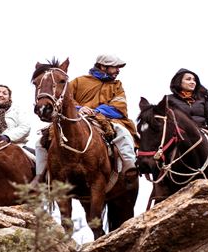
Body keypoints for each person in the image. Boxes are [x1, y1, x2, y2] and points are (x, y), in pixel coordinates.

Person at [34, 54, 138, 183]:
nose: (118, 70)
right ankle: (40, 175)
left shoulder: (117, 85)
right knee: (41, 141)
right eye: (115, 67)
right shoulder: (79, 81)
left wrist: (96, 111)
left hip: (105, 119)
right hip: (75, 117)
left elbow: (119, 106)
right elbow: (65, 99)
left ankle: (129, 163)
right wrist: (79, 109)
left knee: (123, 132)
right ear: (103, 67)